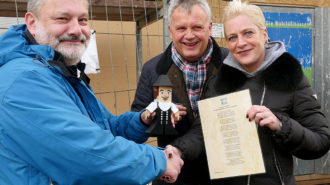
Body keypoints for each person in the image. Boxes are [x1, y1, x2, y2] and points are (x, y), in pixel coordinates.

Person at [0, 0, 184, 184]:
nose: (76, 30)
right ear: (32, 23)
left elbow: (105, 127)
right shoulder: (24, 79)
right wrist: (158, 160)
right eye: (63, 18)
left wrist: (142, 119)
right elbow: (85, 155)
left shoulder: (60, 71)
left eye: (82, 20)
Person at [201, 2, 330, 185]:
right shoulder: (218, 83)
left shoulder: (290, 77)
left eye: (248, 33)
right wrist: (177, 150)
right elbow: (202, 134)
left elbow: (321, 141)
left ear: (265, 34)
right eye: (232, 37)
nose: (241, 43)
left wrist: (281, 125)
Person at [131, 0, 229, 184]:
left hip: (226, 174)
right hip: (176, 176)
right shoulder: (153, 69)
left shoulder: (231, 63)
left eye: (197, 27)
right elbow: (137, 117)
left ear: (209, 27)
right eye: (181, 28)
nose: (189, 35)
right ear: (170, 30)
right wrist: (154, 117)